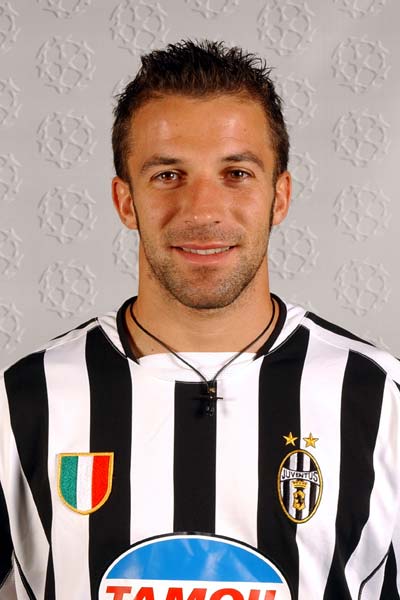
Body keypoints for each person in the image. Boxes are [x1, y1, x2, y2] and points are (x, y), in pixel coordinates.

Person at [0, 39, 399, 600]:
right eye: (168, 175)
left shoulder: (379, 395)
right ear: (125, 201)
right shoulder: (24, 399)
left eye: (236, 173)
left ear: (280, 197)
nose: (203, 210)